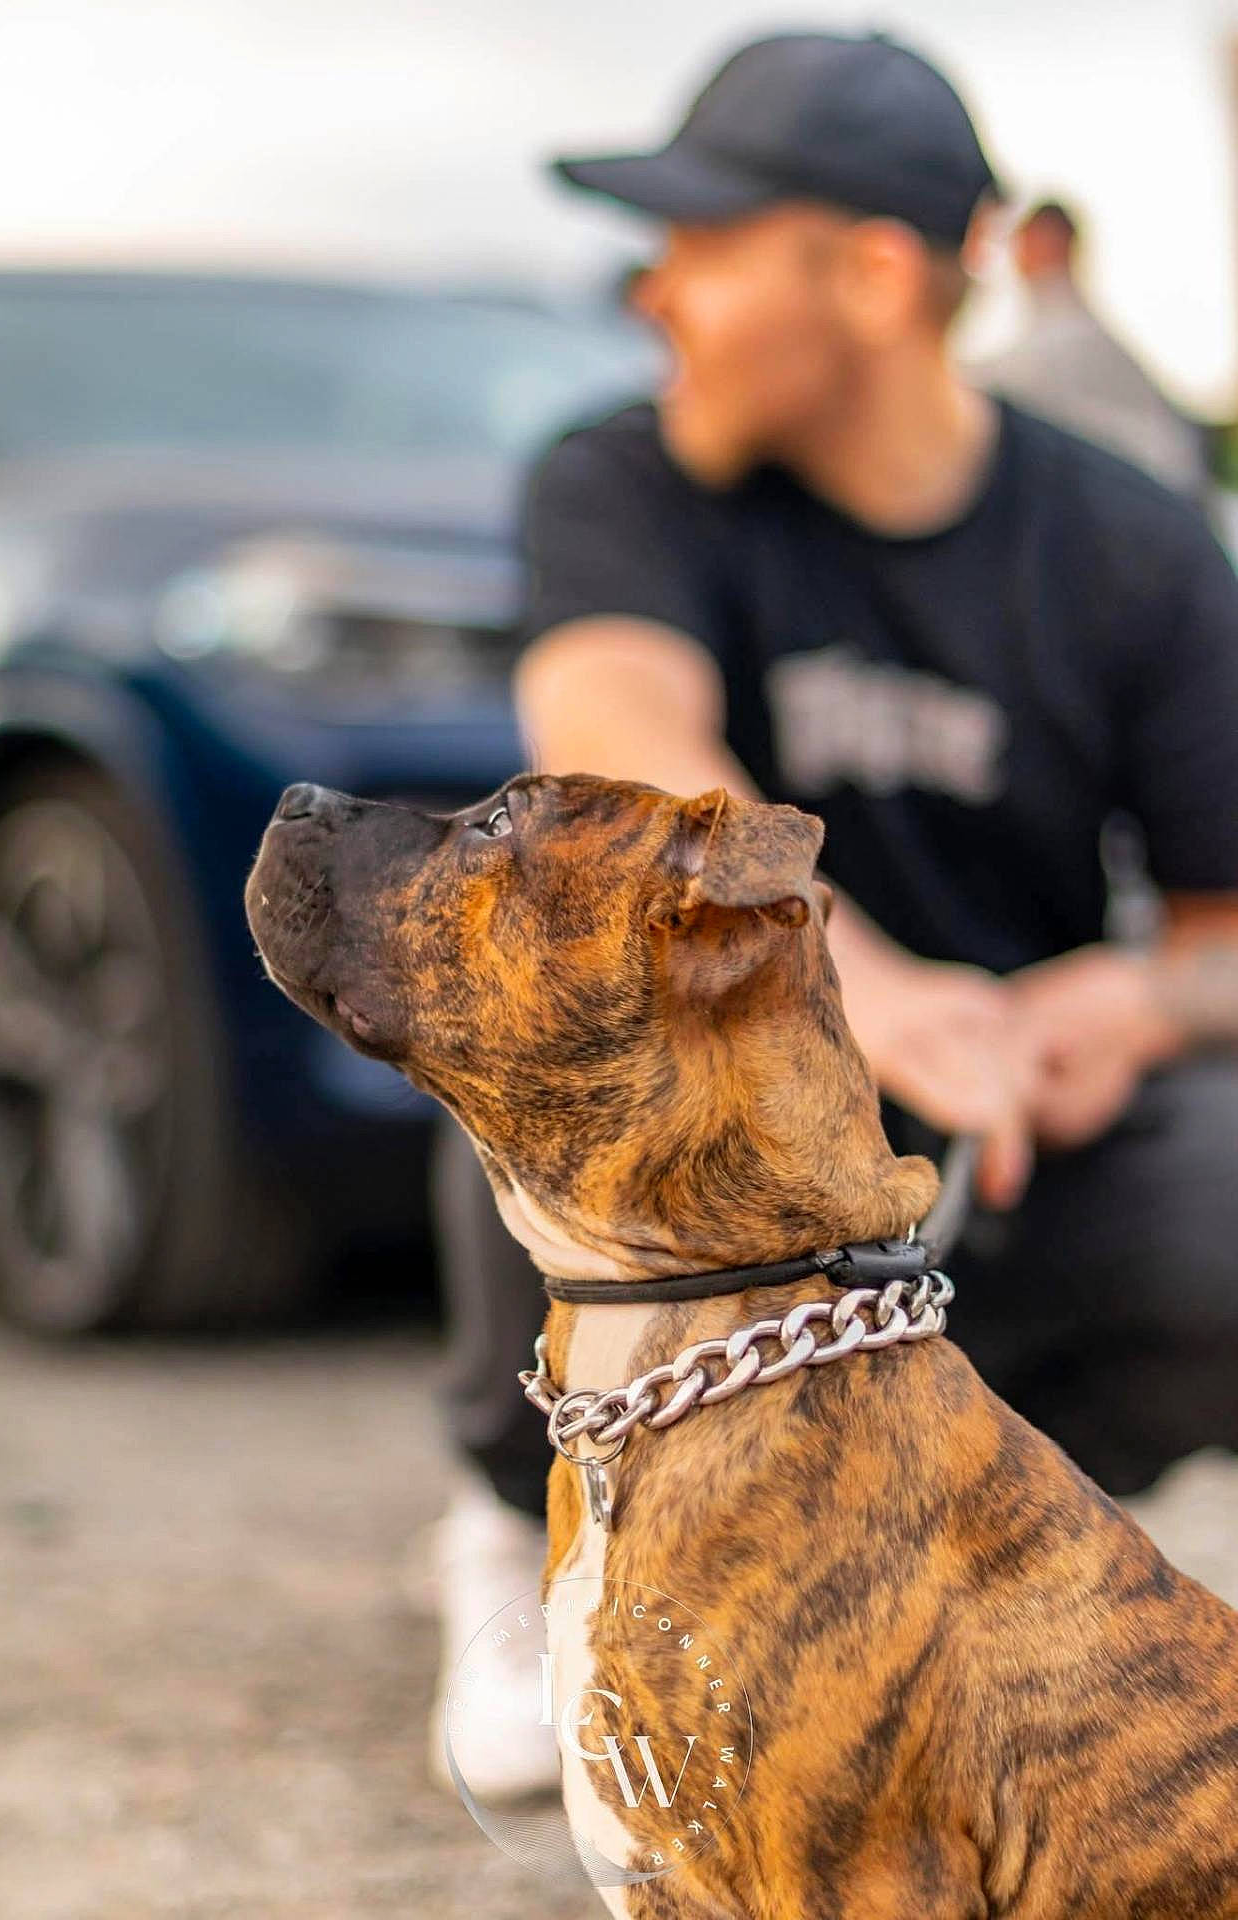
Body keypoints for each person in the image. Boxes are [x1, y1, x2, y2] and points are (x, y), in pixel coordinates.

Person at [425, 29, 1238, 1798]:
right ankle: (537, 1526)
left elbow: (1216, 931)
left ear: (871, 273)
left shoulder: (1125, 547)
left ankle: (968, 1538)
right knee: (561, 994)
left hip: (995, 1143)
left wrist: (1123, 1008)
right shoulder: (620, 480)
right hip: (733, 1122)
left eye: (704, 245)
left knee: (1218, 1178)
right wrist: (854, 989)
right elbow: (617, 749)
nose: (653, 294)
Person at [968, 198, 1209, 497]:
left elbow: (1008, 380)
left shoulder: (1070, 334)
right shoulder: (1060, 326)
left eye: (1027, 240)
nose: (1018, 254)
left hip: (1145, 496)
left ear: (1057, 241)